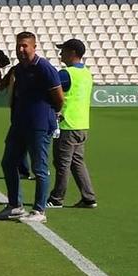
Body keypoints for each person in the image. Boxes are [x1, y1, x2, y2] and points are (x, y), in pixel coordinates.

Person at [0, 31, 66, 222]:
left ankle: (39, 210)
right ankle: (15, 206)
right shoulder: (19, 69)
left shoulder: (44, 68)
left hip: (39, 124)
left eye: (25, 45)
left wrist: (49, 114)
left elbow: (59, 98)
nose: (21, 49)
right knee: (8, 162)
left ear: (34, 47)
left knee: (39, 168)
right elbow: (0, 86)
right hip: (19, 123)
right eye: (19, 45)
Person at [49, 38, 97, 209]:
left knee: (62, 163)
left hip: (67, 124)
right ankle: (88, 196)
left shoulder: (66, 73)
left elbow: (52, 92)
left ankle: (57, 198)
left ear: (72, 53)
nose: (61, 53)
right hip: (82, 123)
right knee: (77, 162)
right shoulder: (86, 72)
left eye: (64, 50)